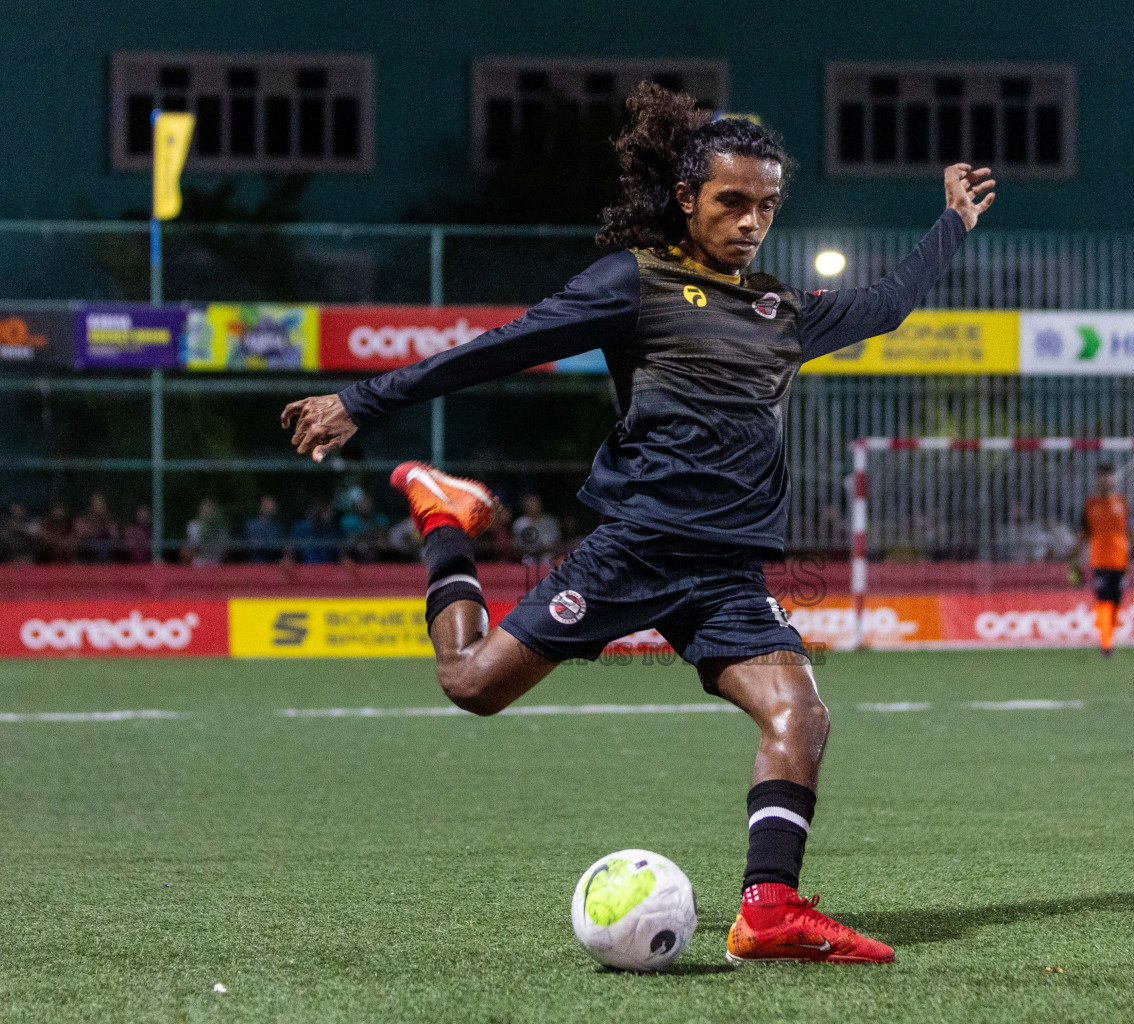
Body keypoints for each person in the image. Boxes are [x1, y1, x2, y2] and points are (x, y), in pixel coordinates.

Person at [283, 82, 994, 966]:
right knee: (470, 684)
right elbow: (504, 344)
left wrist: (951, 222)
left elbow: (889, 303)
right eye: (731, 202)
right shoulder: (636, 281)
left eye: (766, 206)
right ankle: (447, 516)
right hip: (639, 546)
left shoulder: (779, 314)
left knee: (799, 715)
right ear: (685, 198)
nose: (749, 222)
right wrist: (362, 399)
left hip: (729, 571)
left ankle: (768, 912)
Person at [1070, 464, 1134, 657]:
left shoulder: (1121, 502)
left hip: (1120, 560)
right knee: (1103, 599)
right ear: (1097, 480)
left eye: (1109, 477)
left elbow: (1130, 530)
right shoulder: (1090, 505)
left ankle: (1108, 636)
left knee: (1115, 601)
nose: (1106, 481)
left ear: (1113, 479)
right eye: (1102, 477)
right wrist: (1075, 558)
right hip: (1099, 560)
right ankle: (1106, 643)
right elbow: (1083, 534)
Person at [511, 492, 562, 565]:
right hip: (527, 558)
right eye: (529, 502)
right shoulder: (519, 523)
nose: (532, 505)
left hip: (546, 558)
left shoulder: (550, 522)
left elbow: (555, 543)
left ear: (540, 504)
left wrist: (539, 549)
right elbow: (516, 546)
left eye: (534, 502)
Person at [289, 499, 341, 565]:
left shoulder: (332, 530)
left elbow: (340, 552)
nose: (330, 514)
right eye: (327, 511)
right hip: (305, 569)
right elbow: (291, 551)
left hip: (328, 569)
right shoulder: (300, 528)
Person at [73, 493, 120, 564]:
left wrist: (106, 522)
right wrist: (94, 527)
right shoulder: (84, 518)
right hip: (87, 551)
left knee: (104, 545)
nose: (99, 505)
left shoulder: (108, 519)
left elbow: (115, 535)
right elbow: (81, 534)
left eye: (101, 503)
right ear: (91, 504)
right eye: (96, 503)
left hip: (105, 552)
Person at [183, 499, 229, 566]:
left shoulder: (219, 528)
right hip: (199, 562)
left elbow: (224, 547)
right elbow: (191, 548)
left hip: (215, 563)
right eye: (205, 509)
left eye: (210, 509)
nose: (208, 512)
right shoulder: (194, 526)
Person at [243, 495, 287, 564]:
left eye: (272, 503)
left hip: (274, 566)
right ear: (261, 507)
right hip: (257, 566)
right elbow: (252, 545)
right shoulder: (251, 525)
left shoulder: (279, 528)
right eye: (266, 504)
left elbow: (284, 548)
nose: (270, 506)